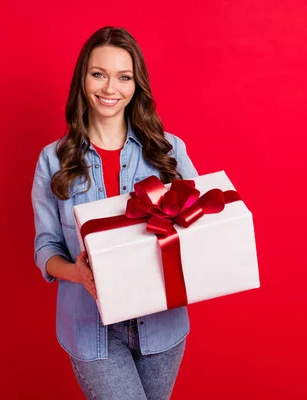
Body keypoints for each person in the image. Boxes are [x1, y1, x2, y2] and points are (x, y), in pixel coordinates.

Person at [31, 26, 198, 400]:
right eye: (98, 75)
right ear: (83, 79)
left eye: (124, 77)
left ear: (136, 84)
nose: (110, 89)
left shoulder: (169, 150)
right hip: (93, 330)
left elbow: (198, 222)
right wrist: (74, 271)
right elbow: (45, 248)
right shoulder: (52, 160)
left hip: (163, 326)